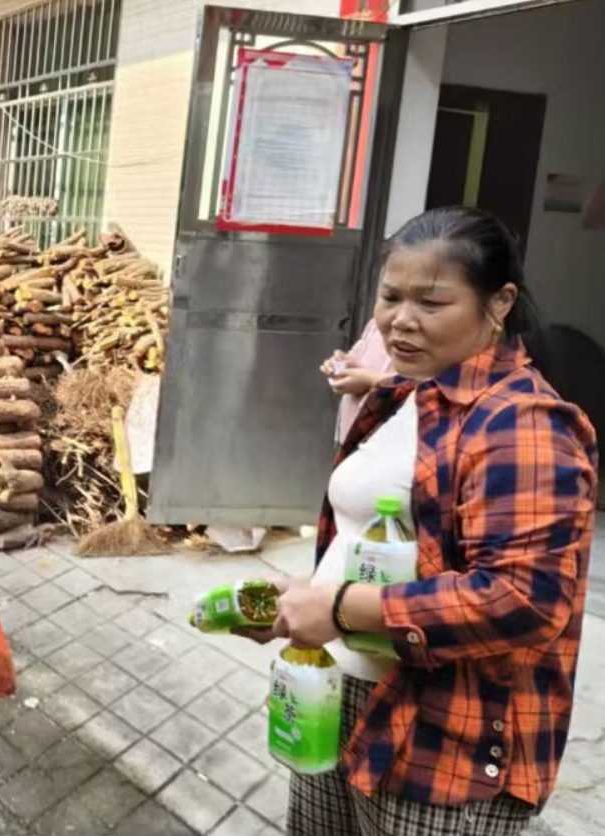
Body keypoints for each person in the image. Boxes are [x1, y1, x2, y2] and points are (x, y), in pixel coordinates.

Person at [237, 206, 596, 836]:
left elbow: (526, 601)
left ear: (500, 302)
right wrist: (305, 603)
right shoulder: (406, 394)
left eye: (432, 302)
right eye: (390, 296)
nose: (402, 320)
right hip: (341, 694)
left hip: (446, 737)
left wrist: (343, 609)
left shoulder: (523, 425)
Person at [321, 318, 394, 444]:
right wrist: (339, 363)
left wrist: (370, 380)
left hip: (385, 437)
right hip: (350, 429)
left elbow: (424, 383)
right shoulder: (375, 323)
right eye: (389, 299)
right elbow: (357, 354)